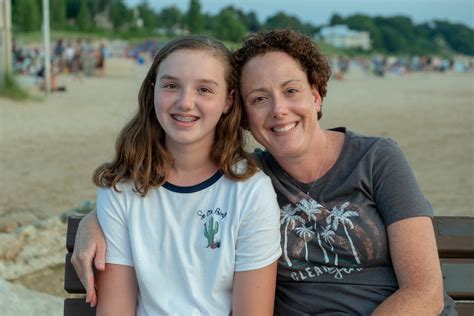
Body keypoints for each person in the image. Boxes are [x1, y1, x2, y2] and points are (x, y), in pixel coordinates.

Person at [72, 29, 454, 315]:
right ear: (244, 112)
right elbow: (170, 195)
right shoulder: (257, 177)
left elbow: (424, 290)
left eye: (291, 91)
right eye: (260, 98)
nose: (278, 110)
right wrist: (98, 217)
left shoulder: (376, 158)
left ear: (316, 96)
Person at [84, 35, 281, 315]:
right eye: (172, 85)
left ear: (228, 100)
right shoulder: (121, 189)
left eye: (204, 89)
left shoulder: (250, 191)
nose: (185, 102)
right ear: (152, 90)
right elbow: (116, 308)